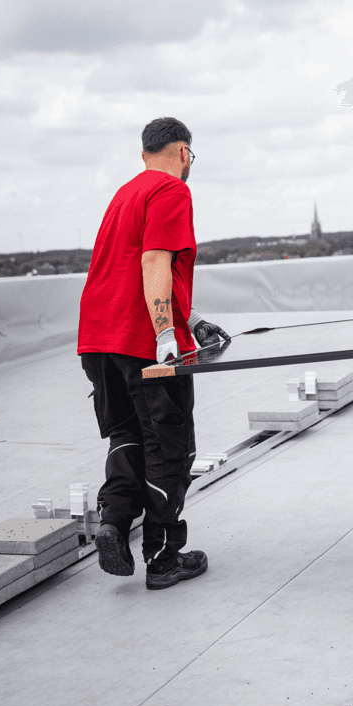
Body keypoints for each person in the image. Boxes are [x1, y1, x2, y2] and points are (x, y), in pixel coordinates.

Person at [78, 117, 230, 590]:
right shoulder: (171, 190)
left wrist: (191, 319)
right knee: (168, 446)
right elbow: (154, 260)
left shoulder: (125, 194)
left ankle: (113, 522)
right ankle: (164, 559)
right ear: (182, 153)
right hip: (143, 342)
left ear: (145, 153)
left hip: (98, 339)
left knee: (127, 436)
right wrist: (166, 333)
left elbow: (129, 268)